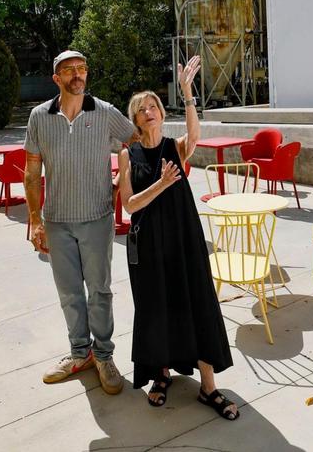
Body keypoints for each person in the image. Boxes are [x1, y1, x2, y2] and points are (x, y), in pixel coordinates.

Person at [117, 55, 240, 421]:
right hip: (149, 245)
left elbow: (196, 134)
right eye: (142, 109)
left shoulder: (176, 146)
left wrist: (187, 93)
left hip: (184, 239)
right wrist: (161, 184)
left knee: (197, 303)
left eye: (154, 105)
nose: (149, 111)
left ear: (161, 113)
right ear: (135, 119)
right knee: (156, 309)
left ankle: (208, 386)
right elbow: (129, 205)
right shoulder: (128, 155)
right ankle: (161, 375)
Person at [24, 49, 137, 395]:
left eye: (82, 68)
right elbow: (32, 171)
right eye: (69, 70)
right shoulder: (39, 117)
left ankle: (103, 356)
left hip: (97, 219)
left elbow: (137, 142)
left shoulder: (105, 112)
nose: (77, 74)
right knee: (69, 293)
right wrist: (35, 219)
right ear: (56, 78)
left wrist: (122, 180)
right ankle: (79, 354)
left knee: (99, 291)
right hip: (57, 222)